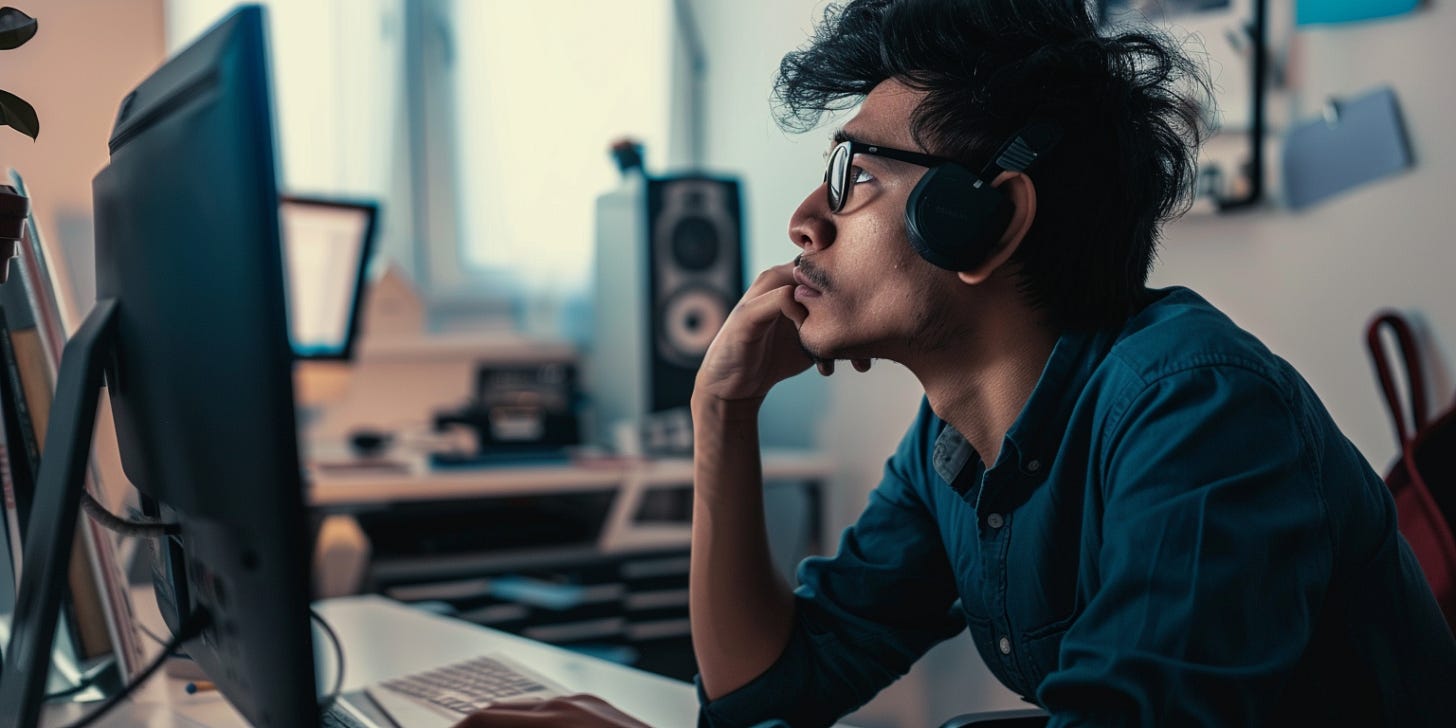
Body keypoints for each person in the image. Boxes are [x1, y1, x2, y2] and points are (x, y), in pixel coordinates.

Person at [462, 1, 1456, 726]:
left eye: (856, 175)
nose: (803, 220)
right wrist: (720, 410)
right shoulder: (952, 443)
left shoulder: (1195, 409)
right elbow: (764, 686)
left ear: (987, 219)